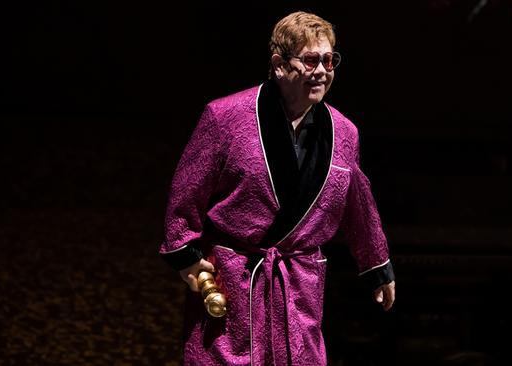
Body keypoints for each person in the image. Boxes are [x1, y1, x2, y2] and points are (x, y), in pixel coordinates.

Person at [159, 11, 395, 366]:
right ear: (279, 64)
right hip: (234, 277)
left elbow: (358, 203)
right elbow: (186, 190)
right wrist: (186, 255)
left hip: (299, 282)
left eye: (330, 60)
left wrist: (377, 264)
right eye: (311, 60)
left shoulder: (345, 133)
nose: (322, 70)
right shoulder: (225, 118)